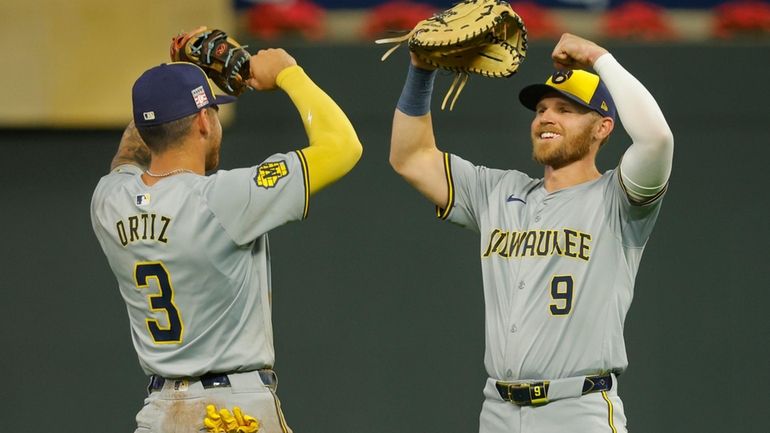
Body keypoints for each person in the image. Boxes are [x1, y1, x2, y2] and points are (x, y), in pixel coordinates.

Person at [389, 33, 673, 433]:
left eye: (566, 109)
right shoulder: (498, 192)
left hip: (578, 409)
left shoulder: (618, 199)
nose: (546, 117)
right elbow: (410, 158)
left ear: (603, 127)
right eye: (540, 109)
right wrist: (420, 72)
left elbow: (657, 139)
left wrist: (598, 57)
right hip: (498, 411)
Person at [91, 50, 362, 433]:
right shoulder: (224, 198)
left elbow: (130, 153)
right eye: (213, 111)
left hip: (160, 414)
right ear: (204, 120)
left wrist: (174, 88)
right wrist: (289, 73)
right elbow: (343, 148)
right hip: (232, 412)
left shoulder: (109, 200)